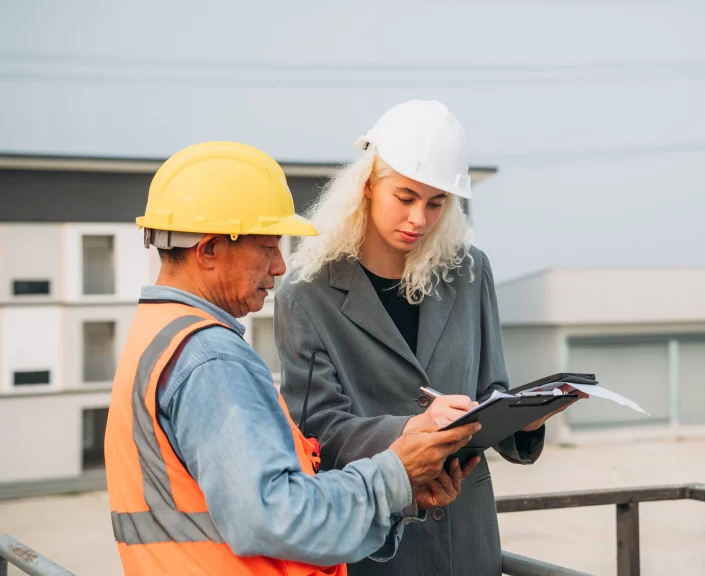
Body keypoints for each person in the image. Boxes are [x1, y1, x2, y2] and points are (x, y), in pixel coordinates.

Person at [103, 141, 481, 576]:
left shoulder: (158, 333)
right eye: (267, 247)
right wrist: (396, 473)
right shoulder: (209, 359)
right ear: (207, 250)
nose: (281, 266)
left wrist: (404, 494)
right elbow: (278, 517)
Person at [274, 100, 587, 575]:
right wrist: (410, 431)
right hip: (377, 547)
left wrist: (523, 418)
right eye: (405, 197)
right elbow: (316, 429)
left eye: (436, 202)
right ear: (366, 186)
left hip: (468, 538)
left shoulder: (470, 271)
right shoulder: (307, 293)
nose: (420, 218)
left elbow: (490, 390)